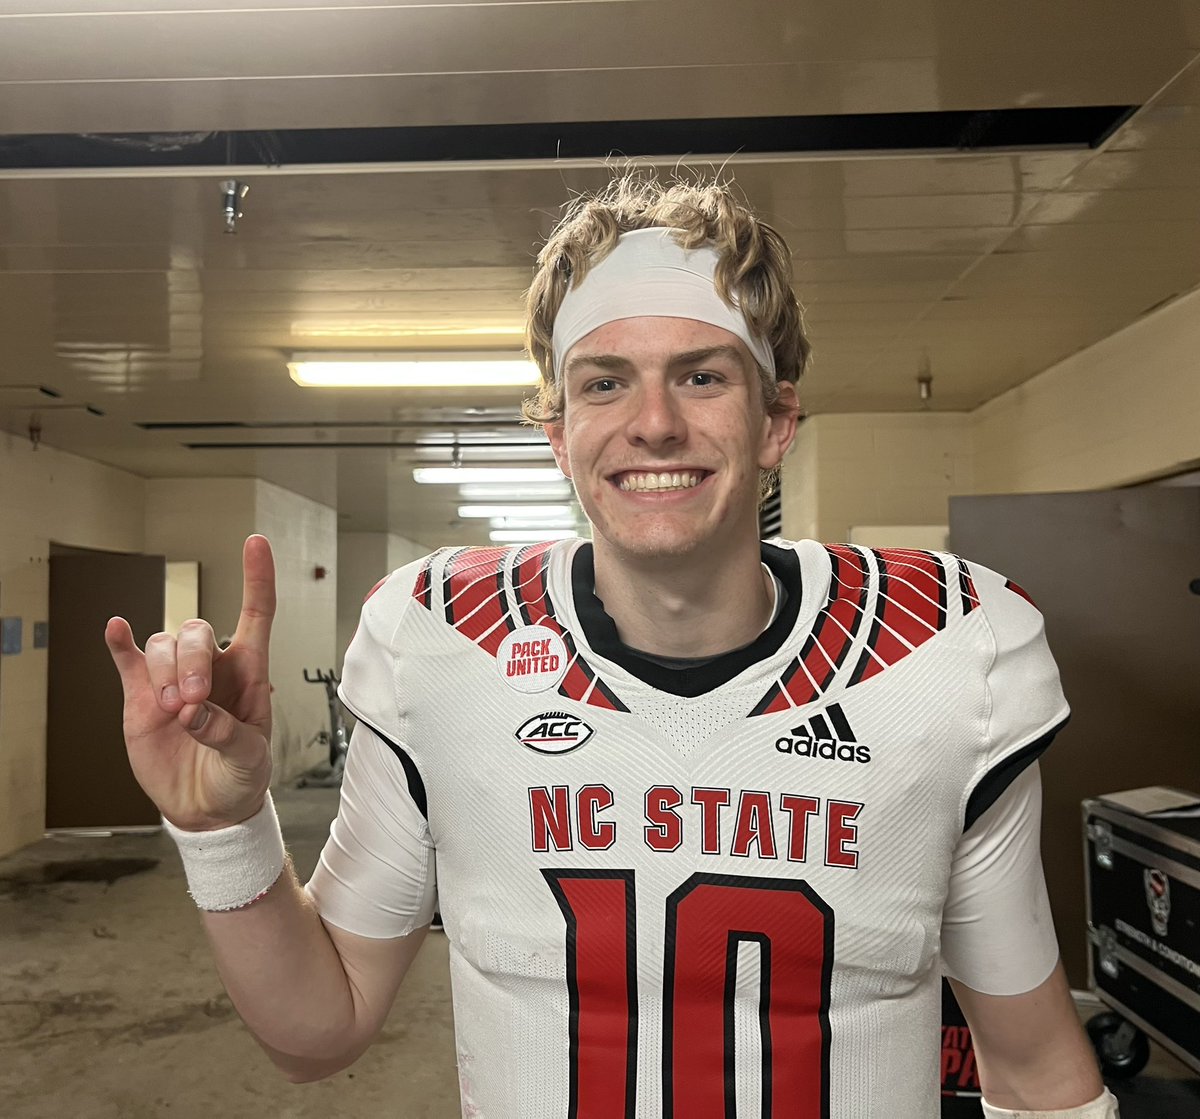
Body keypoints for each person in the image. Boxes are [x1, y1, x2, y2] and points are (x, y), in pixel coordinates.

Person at [105, 172, 1117, 1118]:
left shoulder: (938, 658)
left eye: (703, 376)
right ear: (558, 431)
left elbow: (1032, 1065)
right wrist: (225, 829)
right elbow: (315, 1034)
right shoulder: (444, 647)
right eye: (603, 384)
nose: (654, 423)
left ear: (777, 420)